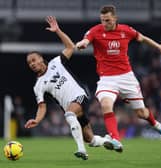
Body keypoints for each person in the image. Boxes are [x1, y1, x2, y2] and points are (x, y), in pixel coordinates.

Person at [76, 5, 161, 152]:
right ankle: (116, 140)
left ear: (115, 18)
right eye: (102, 20)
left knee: (141, 113)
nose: (104, 24)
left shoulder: (126, 30)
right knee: (106, 105)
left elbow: (142, 38)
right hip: (107, 79)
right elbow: (86, 40)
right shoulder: (96, 31)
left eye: (107, 20)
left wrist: (159, 47)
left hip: (127, 78)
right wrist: (83, 44)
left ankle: (156, 124)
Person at [24, 16, 112, 160]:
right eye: (29, 63)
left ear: (41, 58)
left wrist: (57, 30)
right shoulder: (38, 86)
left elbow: (71, 46)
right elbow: (41, 107)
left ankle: (81, 150)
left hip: (80, 95)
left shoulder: (56, 63)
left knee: (70, 115)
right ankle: (108, 140)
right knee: (90, 139)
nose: (32, 64)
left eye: (33, 60)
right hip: (70, 107)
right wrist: (37, 120)